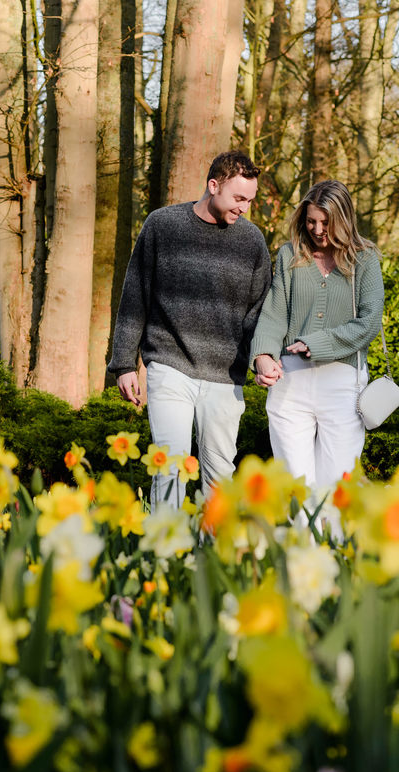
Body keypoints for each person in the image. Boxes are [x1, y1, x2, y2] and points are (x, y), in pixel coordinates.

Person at [108, 150, 272, 508]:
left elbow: (261, 311)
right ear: (213, 186)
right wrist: (123, 363)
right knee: (169, 467)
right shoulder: (162, 226)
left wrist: (262, 356)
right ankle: (166, 558)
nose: (244, 207)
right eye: (239, 198)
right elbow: (135, 294)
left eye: (250, 200)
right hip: (169, 365)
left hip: (225, 376)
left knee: (220, 477)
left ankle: (212, 559)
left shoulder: (252, 242)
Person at [249, 180, 384, 536]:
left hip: (342, 382)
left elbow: (369, 322)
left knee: (338, 483)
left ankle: (339, 568)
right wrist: (263, 356)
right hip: (290, 383)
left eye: (326, 223)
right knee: (296, 482)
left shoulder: (365, 259)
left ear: (345, 219)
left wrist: (319, 343)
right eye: (311, 222)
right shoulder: (288, 255)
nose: (318, 230)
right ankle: (301, 567)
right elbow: (275, 313)